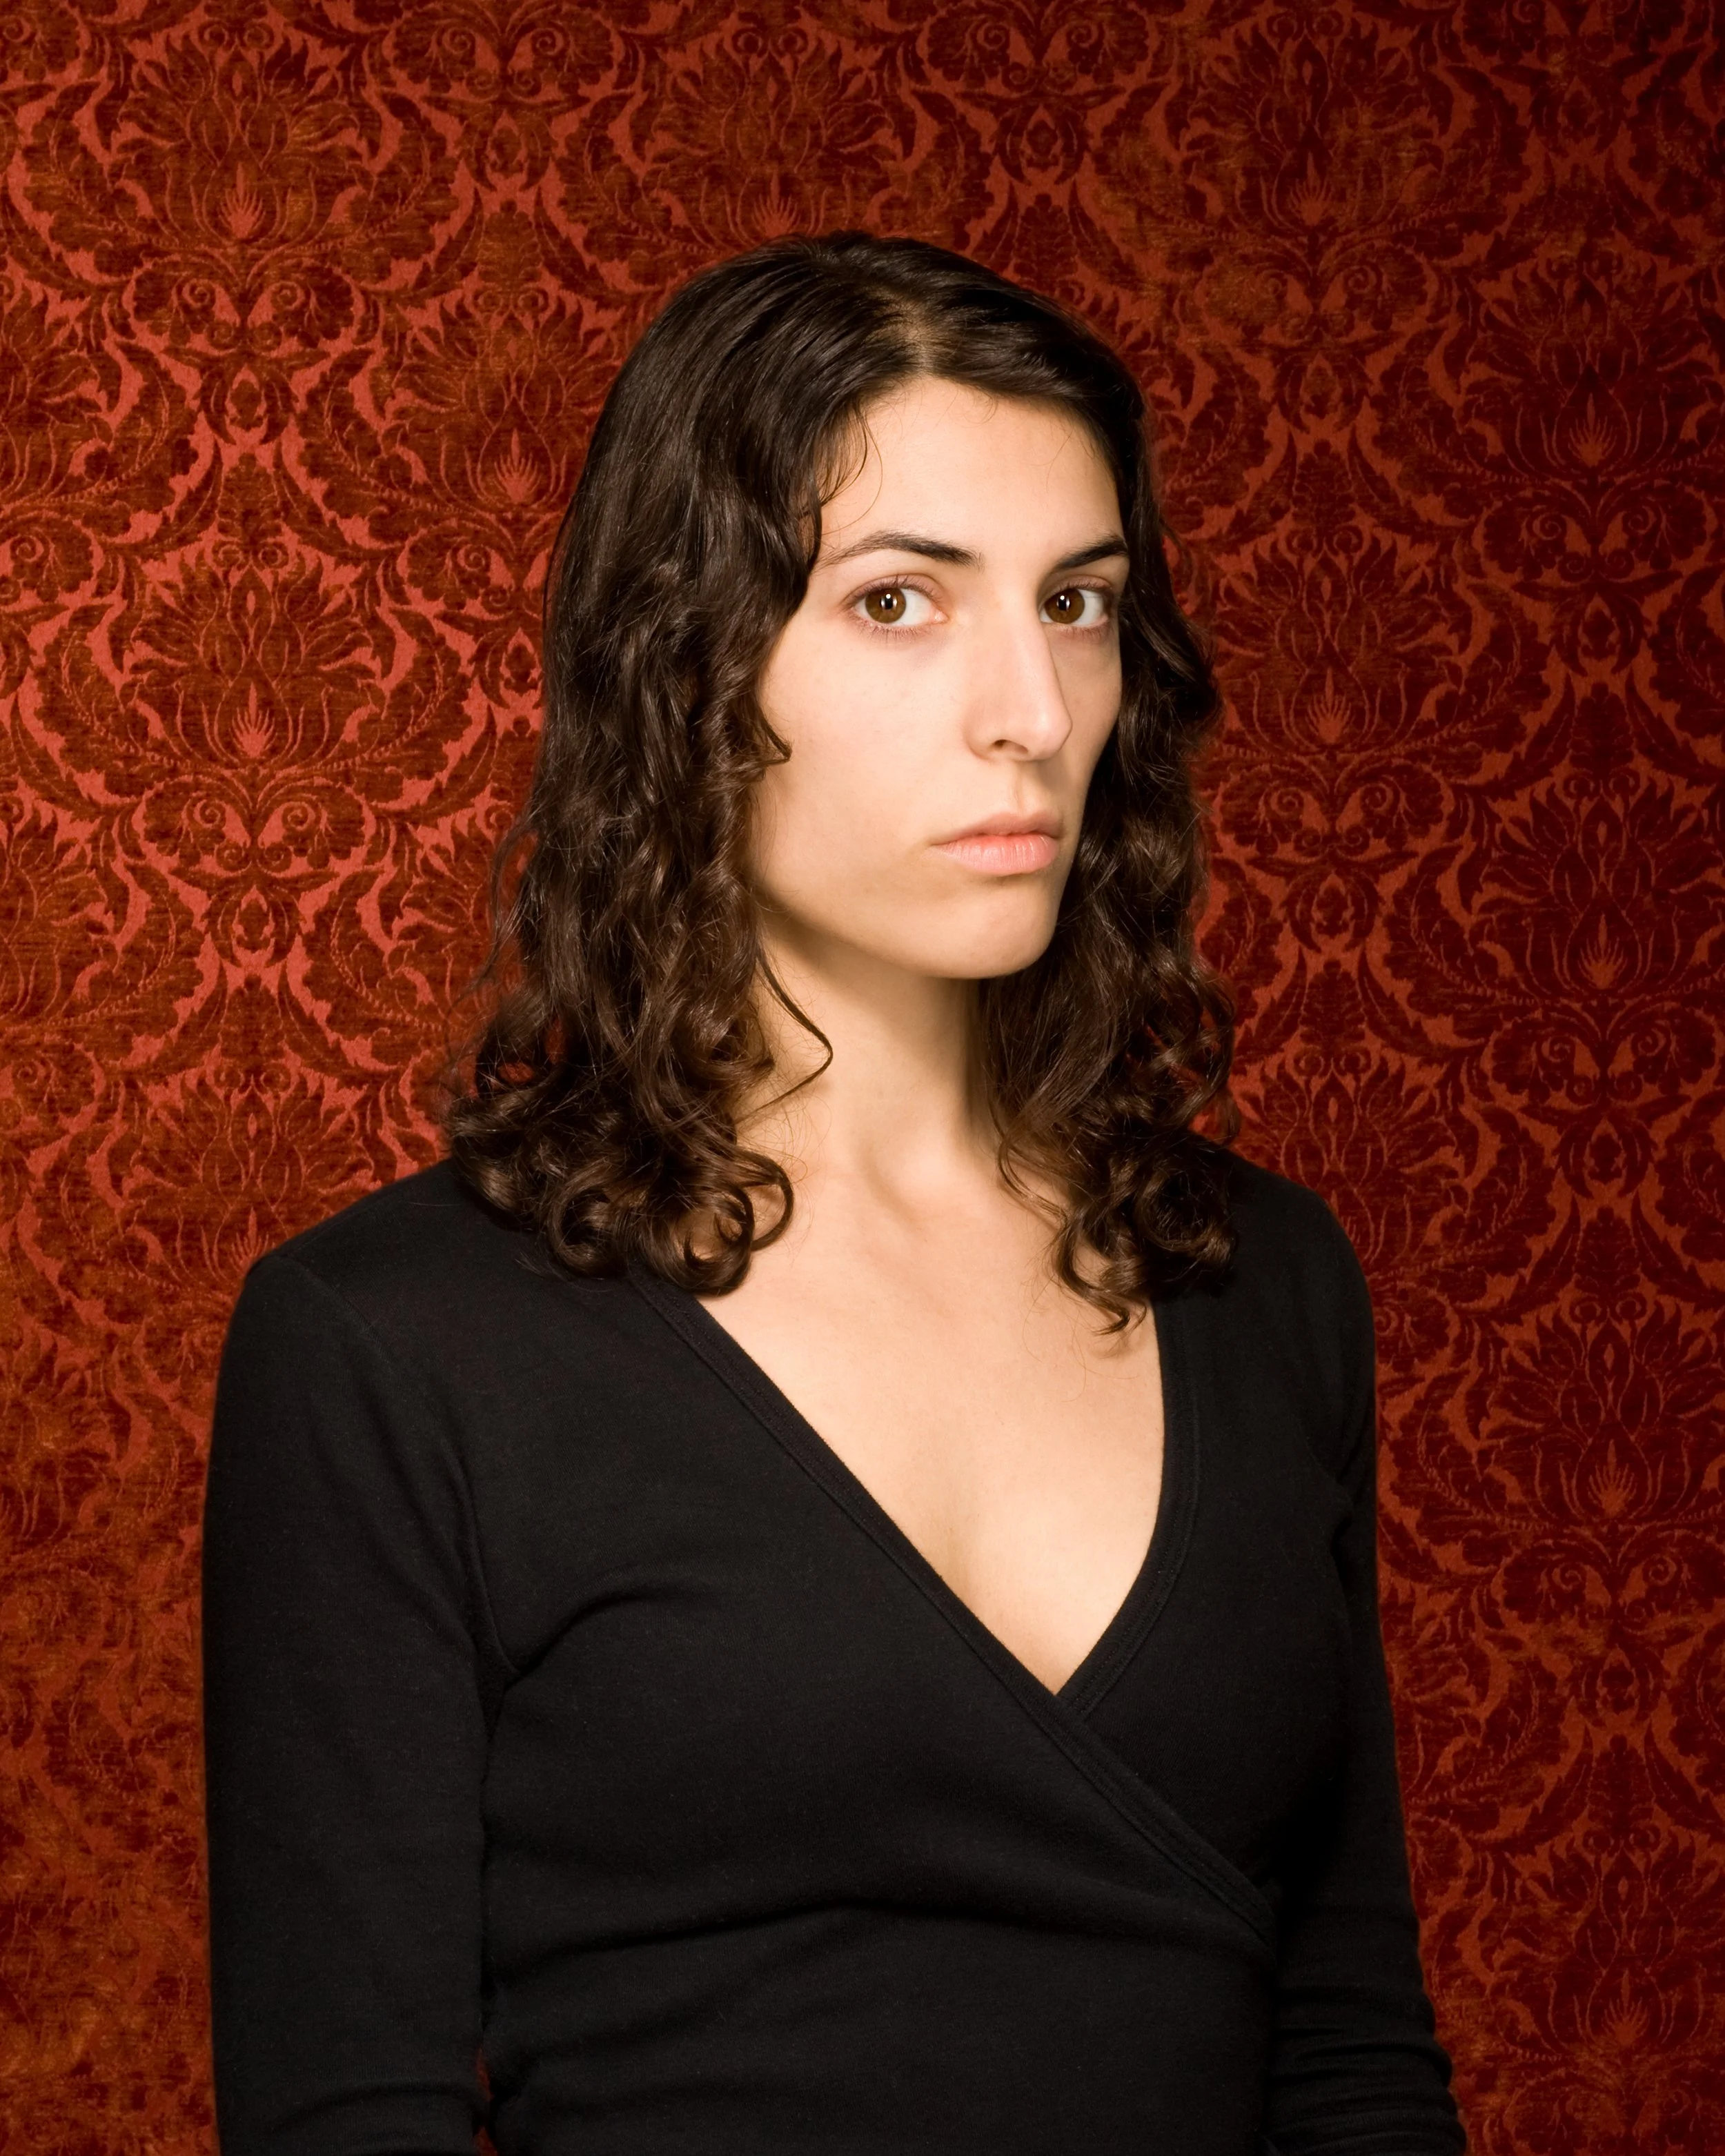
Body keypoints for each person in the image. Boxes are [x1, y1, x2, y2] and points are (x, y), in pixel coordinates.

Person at [201, 233, 1466, 2156]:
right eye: (897, 602)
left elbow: (1353, 2047)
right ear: (685, 661)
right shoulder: (390, 1340)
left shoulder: (1262, 1278)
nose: (1029, 711)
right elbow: (344, 2112)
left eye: (1077, 601)